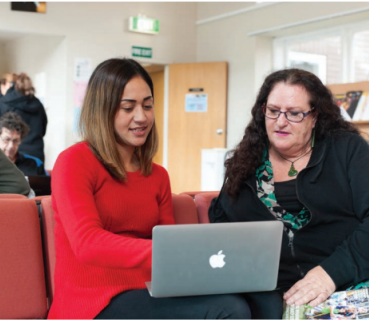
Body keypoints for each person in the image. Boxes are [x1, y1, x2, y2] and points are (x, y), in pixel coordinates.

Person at [47, 58, 254, 319]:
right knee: (228, 309)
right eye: (128, 107)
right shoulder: (74, 162)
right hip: (92, 301)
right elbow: (87, 243)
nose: (142, 117)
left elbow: (167, 242)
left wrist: (197, 263)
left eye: (147, 105)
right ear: (102, 109)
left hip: (149, 290)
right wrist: (170, 251)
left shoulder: (157, 175)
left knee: (243, 300)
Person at [209, 69, 369, 318]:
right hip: (280, 293)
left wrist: (329, 274)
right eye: (273, 111)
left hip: (359, 278)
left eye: (294, 113)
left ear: (314, 116)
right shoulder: (245, 162)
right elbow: (223, 228)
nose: (281, 121)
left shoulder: (347, 150)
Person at [0, 73, 47, 162]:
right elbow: (43, 130)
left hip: (12, 154)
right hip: (36, 153)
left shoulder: (3, 103)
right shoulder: (38, 104)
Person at [0, 112, 48, 176]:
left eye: (15, 141)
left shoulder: (35, 163)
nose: (11, 146)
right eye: (7, 139)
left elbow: (46, 184)